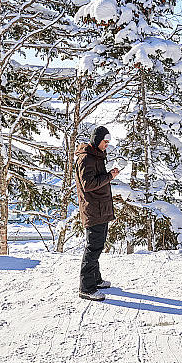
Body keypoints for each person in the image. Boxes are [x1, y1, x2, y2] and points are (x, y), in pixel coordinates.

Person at [74, 125, 120, 301]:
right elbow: (88, 185)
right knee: (93, 247)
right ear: (97, 140)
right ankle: (86, 288)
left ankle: (96, 279)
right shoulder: (86, 158)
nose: (107, 145)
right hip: (93, 210)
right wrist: (109, 177)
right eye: (105, 141)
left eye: (108, 142)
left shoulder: (95, 156)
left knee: (97, 246)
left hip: (100, 208)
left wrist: (109, 174)